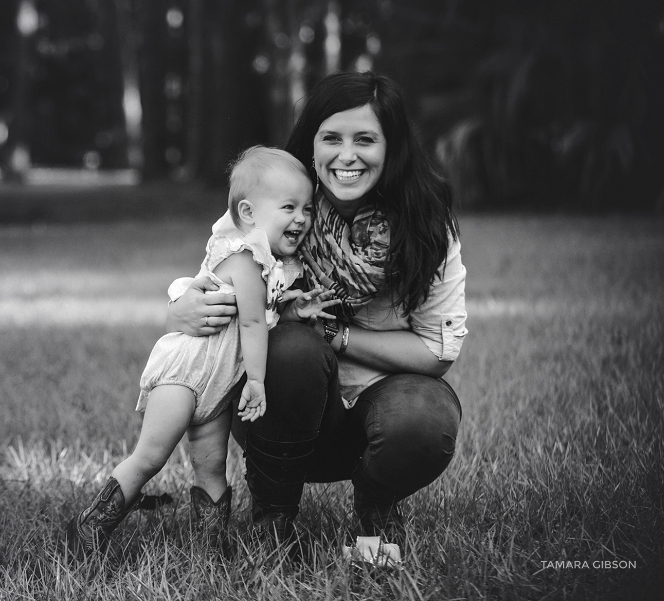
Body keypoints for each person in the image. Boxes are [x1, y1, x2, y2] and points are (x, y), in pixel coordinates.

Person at [167, 71, 467, 561]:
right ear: (312, 145)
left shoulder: (425, 226)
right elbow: (213, 274)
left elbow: (437, 351)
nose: (346, 156)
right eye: (331, 138)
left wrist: (333, 333)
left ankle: (376, 506)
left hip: (382, 402)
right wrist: (181, 307)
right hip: (282, 403)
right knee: (289, 348)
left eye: (365, 139)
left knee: (423, 420)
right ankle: (273, 517)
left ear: (392, 148)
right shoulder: (284, 206)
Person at [66, 146, 339, 559]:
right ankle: (89, 527)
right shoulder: (245, 260)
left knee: (211, 467)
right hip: (188, 373)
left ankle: (208, 547)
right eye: (289, 207)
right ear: (248, 214)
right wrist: (259, 382)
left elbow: (264, 313)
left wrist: (292, 309)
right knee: (151, 457)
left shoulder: (272, 266)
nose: (301, 218)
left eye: (307, 208)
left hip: (218, 383)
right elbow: (249, 323)